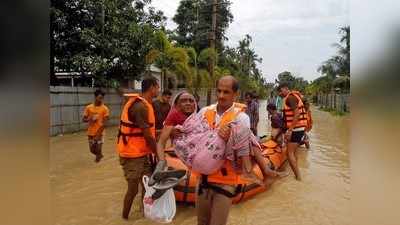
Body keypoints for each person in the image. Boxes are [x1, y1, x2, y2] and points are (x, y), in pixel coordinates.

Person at [116, 76, 160, 220]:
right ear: (152, 87)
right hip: (131, 155)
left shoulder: (145, 104)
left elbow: (147, 132)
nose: (158, 90)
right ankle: (124, 218)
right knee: (133, 189)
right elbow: (148, 136)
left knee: (147, 184)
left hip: (141, 153)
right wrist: (158, 154)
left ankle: (144, 215)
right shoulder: (140, 107)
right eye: (158, 87)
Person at [277, 83, 308, 181]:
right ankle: (296, 173)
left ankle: (298, 177)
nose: (279, 93)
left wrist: (290, 130)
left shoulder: (290, 98)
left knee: (289, 153)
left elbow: (297, 114)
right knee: (293, 152)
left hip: (296, 129)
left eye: (280, 91)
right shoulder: (291, 97)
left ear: (286, 88)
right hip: (299, 128)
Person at [82, 89, 109, 163]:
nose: (101, 100)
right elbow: (83, 119)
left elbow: (105, 123)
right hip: (90, 131)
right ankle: (99, 155)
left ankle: (98, 162)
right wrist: (89, 119)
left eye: (102, 98)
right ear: (95, 97)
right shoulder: (88, 107)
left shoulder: (105, 109)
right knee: (92, 150)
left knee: (98, 148)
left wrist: (99, 133)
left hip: (100, 131)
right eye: (99, 97)